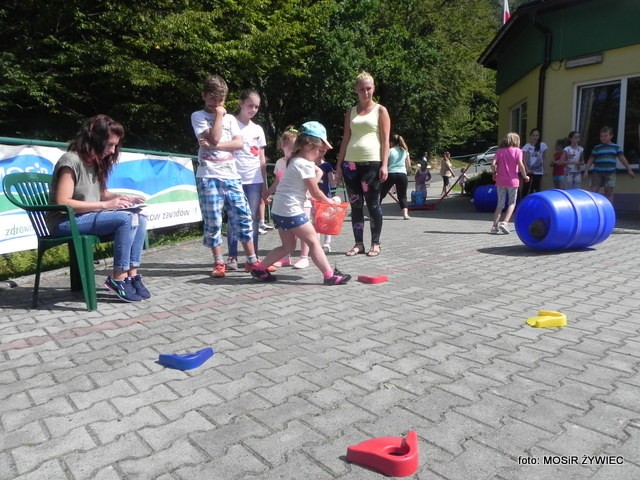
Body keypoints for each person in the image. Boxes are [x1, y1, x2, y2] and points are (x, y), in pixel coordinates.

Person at [46, 114, 150, 303]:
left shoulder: (94, 162)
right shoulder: (71, 160)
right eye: (110, 144)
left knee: (139, 217)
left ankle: (131, 274)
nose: (112, 150)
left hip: (83, 218)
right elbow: (63, 202)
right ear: (95, 139)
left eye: (115, 146)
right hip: (64, 222)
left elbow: (101, 194)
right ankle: (118, 278)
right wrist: (105, 205)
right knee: (126, 219)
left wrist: (122, 198)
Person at [250, 121, 351, 285]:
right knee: (313, 241)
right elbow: (315, 192)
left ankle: (260, 269)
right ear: (308, 145)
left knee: (288, 246)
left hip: (279, 210)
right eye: (319, 150)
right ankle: (329, 275)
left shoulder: (295, 160)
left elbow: (305, 186)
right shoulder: (303, 164)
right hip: (291, 210)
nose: (320, 154)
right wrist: (330, 203)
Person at [191, 75, 264, 278]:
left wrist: (215, 145)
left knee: (243, 217)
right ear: (203, 96)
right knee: (213, 221)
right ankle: (219, 262)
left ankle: (251, 260)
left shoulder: (231, 119)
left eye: (220, 101)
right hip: (208, 176)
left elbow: (238, 144)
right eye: (212, 99)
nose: (216, 104)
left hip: (231, 175)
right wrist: (219, 116)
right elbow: (214, 136)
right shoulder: (198, 116)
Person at [335, 71, 390, 258]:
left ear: (373, 88)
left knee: (373, 204)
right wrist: (339, 166)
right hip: (350, 164)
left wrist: (384, 165)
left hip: (372, 163)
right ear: (355, 90)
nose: (366, 93)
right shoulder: (350, 111)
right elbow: (345, 139)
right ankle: (358, 243)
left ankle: (376, 243)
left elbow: (385, 140)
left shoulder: (380, 110)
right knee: (356, 205)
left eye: (368, 89)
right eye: (361, 89)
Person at [226, 88, 269, 271]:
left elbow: (262, 158)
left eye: (256, 107)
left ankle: (253, 257)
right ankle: (232, 255)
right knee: (233, 217)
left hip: (254, 179)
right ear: (241, 103)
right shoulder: (230, 123)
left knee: (252, 218)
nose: (253, 109)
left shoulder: (258, 129)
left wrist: (264, 185)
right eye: (250, 105)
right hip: (233, 177)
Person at [582, 125, 635, 202]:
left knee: (608, 191)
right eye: (601, 136)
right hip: (597, 172)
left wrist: (629, 169)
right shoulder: (597, 148)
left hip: (610, 173)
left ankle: (609, 207)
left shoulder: (615, 147)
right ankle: (593, 206)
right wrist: (586, 171)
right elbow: (590, 159)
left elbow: (622, 158)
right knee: (594, 190)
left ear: (611, 136)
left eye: (605, 136)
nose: (603, 138)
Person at [491, 133, 530, 234]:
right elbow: (520, 164)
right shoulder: (518, 151)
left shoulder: (499, 151)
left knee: (500, 203)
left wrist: (494, 173)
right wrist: (525, 176)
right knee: (512, 203)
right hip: (513, 181)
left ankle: (494, 226)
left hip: (500, 181)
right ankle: (505, 222)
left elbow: (493, 164)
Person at [380, 134, 412, 220]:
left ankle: (376, 212)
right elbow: (408, 165)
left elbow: (386, 163)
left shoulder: (390, 151)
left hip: (391, 173)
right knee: (402, 196)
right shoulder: (405, 151)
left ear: (392, 142)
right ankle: (405, 214)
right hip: (402, 174)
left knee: (381, 194)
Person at [521, 128, 547, 197]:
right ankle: (524, 200)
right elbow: (523, 159)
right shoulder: (527, 146)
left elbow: (543, 158)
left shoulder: (542, 145)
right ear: (531, 136)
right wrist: (527, 169)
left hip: (538, 170)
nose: (535, 137)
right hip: (529, 169)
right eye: (533, 135)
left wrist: (545, 169)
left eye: (537, 135)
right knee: (526, 187)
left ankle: (534, 201)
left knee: (535, 188)